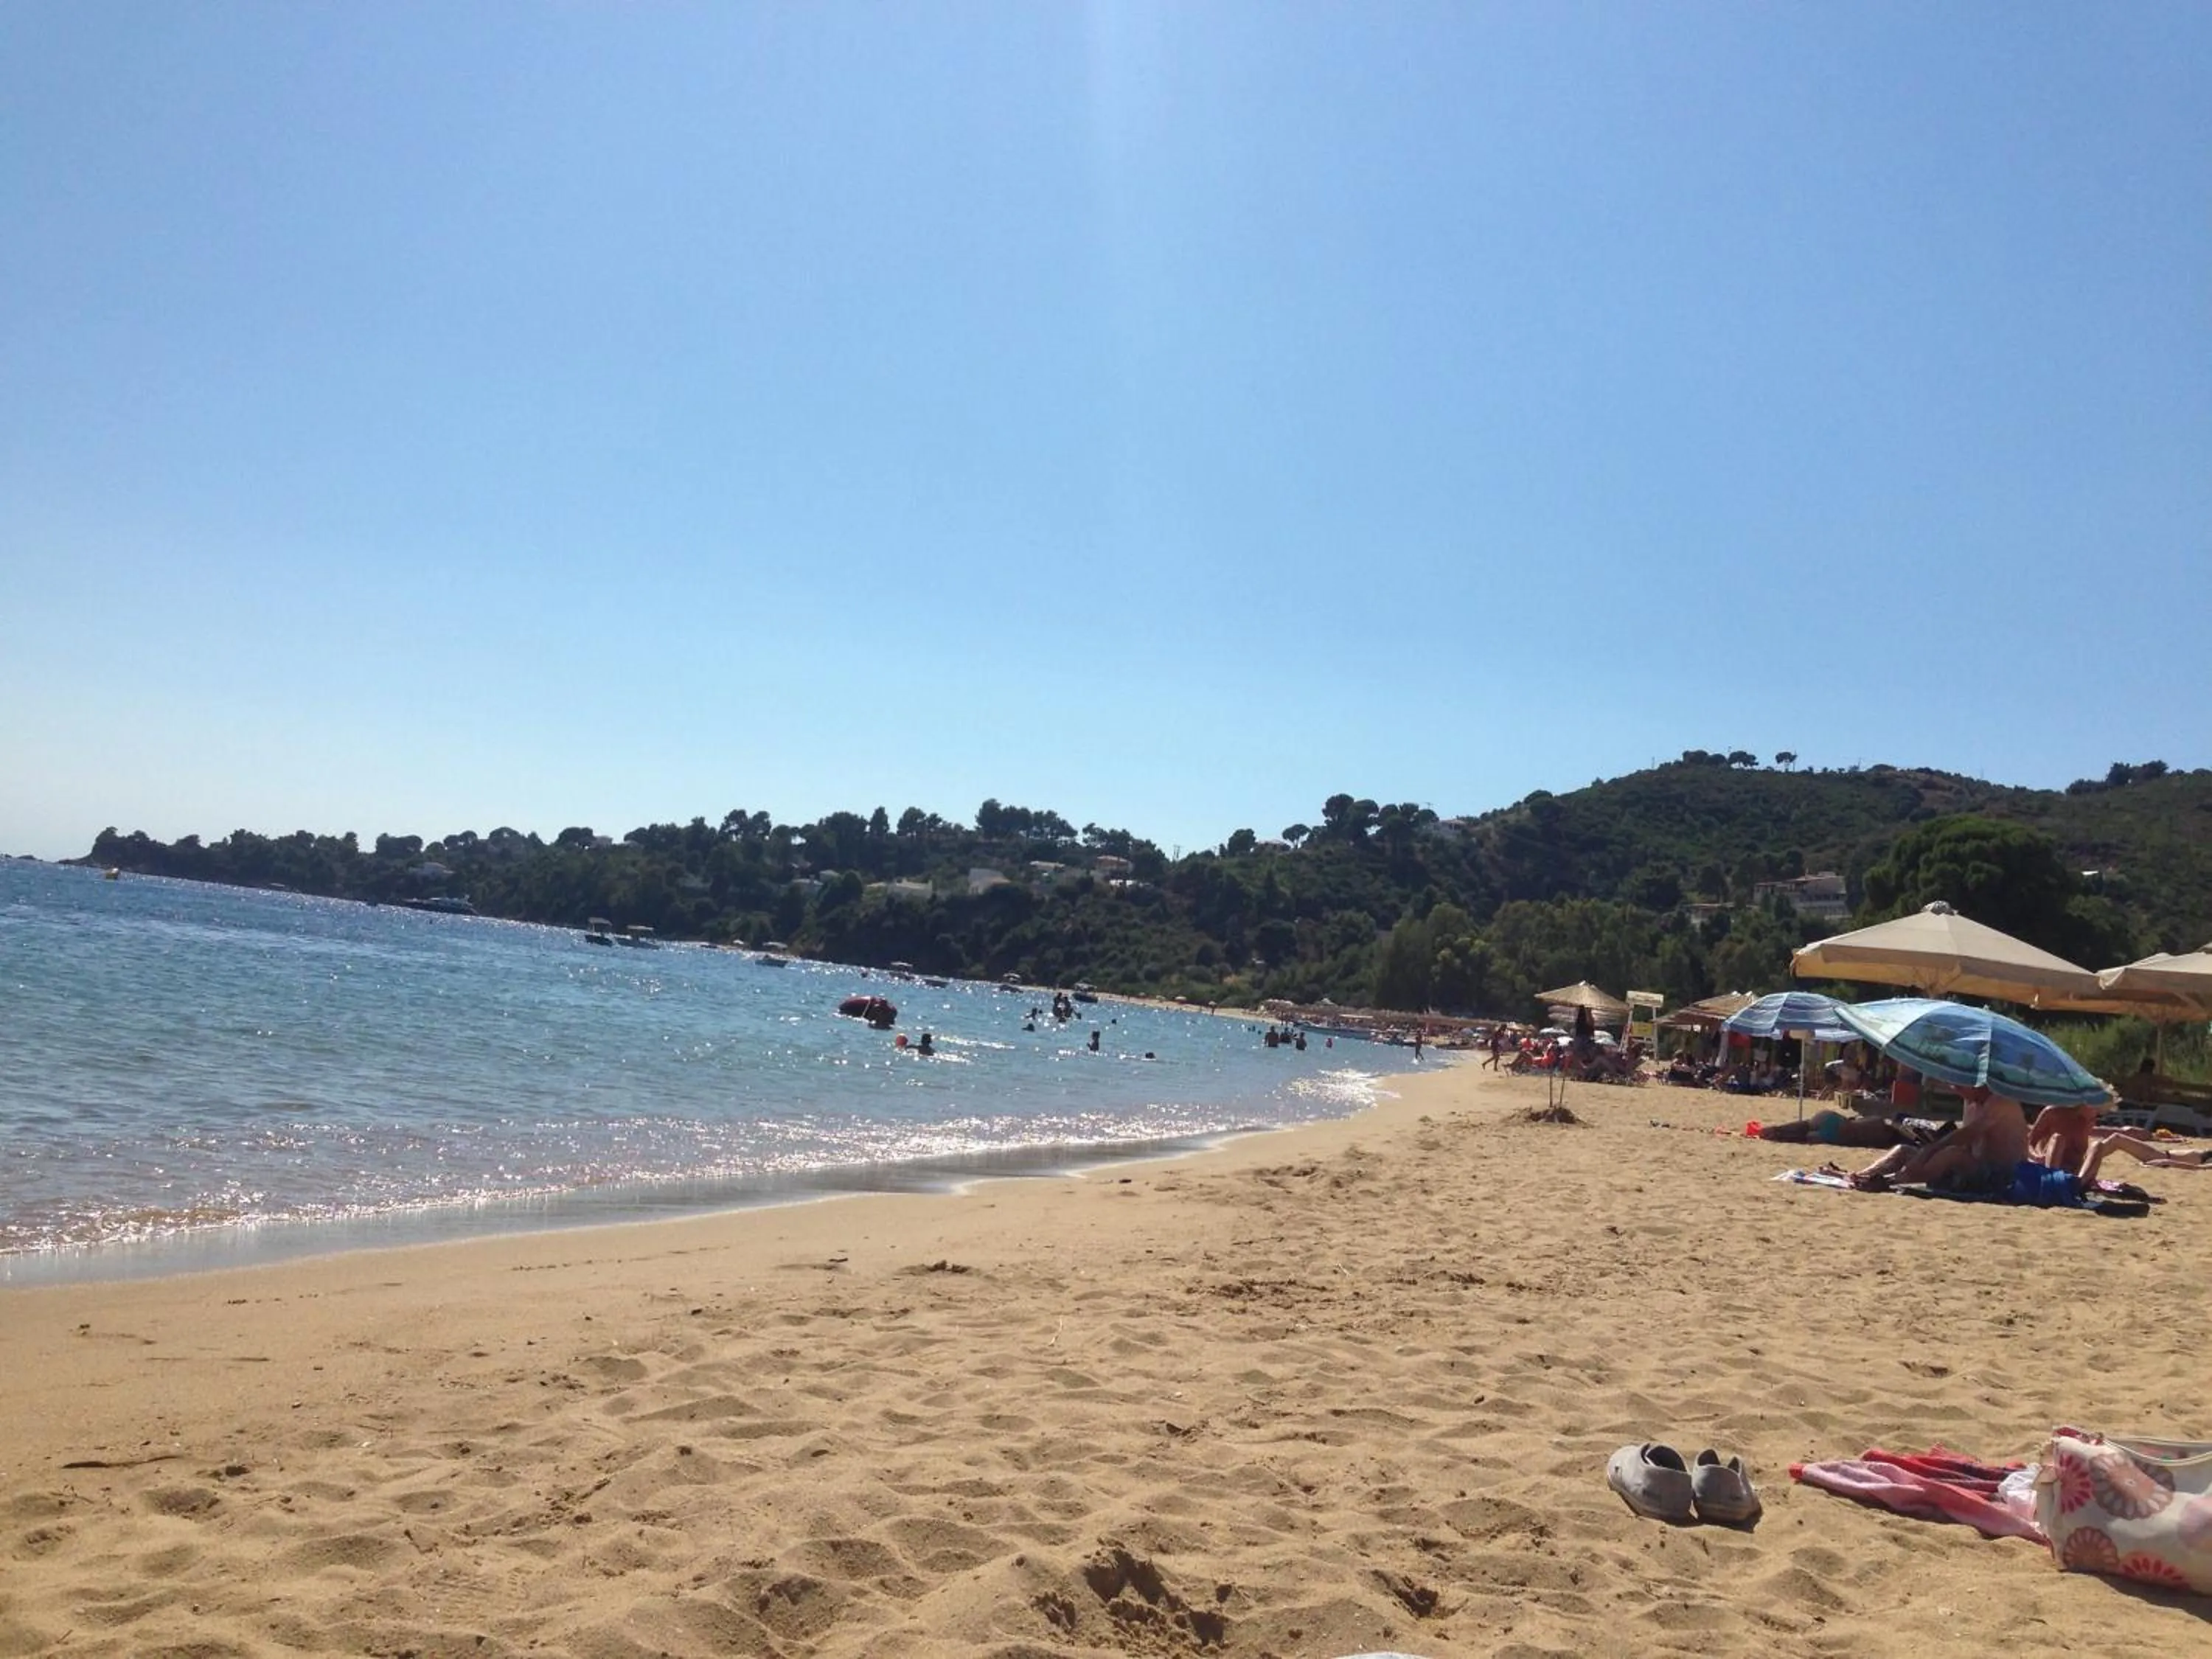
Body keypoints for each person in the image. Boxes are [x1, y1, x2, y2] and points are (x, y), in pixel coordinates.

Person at [1848, 1084, 2029, 1192]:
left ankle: (1892, 1181)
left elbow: (1969, 1134)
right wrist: (1928, 1151)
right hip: (1975, 1164)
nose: (1955, 1090)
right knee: (1903, 1151)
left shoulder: (2001, 1102)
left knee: (1951, 1154)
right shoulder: (1972, 1103)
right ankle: (1861, 1175)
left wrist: (1933, 1149)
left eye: (1959, 1086)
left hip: (2004, 1172)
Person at [2078, 1130, 2212, 1182]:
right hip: (2162, 1155)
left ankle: (2087, 1161)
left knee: (2117, 1139)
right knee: (2117, 1140)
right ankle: (2089, 1160)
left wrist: (2164, 1162)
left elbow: (2199, 1168)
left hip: (2160, 1157)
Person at [2025, 1103, 2097, 1173]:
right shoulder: (2053, 1113)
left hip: (2074, 1173)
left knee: (2097, 1146)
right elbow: (2028, 1142)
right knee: (2058, 1139)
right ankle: (2052, 1176)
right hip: (2050, 1168)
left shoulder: (2089, 1119)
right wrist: (2037, 1157)